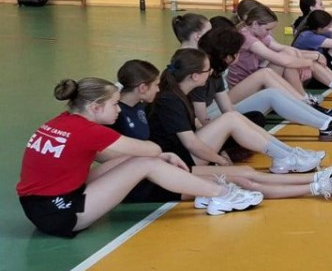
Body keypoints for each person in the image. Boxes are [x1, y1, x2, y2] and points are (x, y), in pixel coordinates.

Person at [17, 78, 262, 237]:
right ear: (95, 108)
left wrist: (164, 155)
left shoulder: (62, 122)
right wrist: (161, 154)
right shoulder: (90, 131)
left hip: (41, 206)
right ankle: (221, 194)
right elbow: (150, 150)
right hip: (61, 213)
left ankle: (205, 193)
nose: (119, 109)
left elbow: (117, 156)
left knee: (131, 161)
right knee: (146, 163)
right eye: (115, 104)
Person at [115, 59, 332, 201]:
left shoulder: (140, 107)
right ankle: (315, 186)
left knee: (246, 173)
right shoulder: (131, 112)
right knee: (243, 180)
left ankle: (317, 178)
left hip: (166, 168)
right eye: (154, 85)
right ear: (142, 88)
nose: (158, 89)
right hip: (153, 181)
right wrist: (218, 159)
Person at [198, 25, 332, 142]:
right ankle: (325, 123)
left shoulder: (213, 70)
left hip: (222, 110)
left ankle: (327, 122)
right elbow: (203, 119)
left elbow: (226, 108)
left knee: (267, 77)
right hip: (212, 120)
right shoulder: (199, 72)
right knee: (270, 91)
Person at [233, 4, 332, 103]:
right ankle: (304, 98)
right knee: (288, 61)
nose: (270, 33)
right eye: (268, 29)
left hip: (257, 77)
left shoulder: (259, 34)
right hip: (246, 86)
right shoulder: (248, 38)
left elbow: (286, 49)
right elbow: (281, 60)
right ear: (255, 24)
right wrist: (308, 62)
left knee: (291, 55)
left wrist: (308, 58)